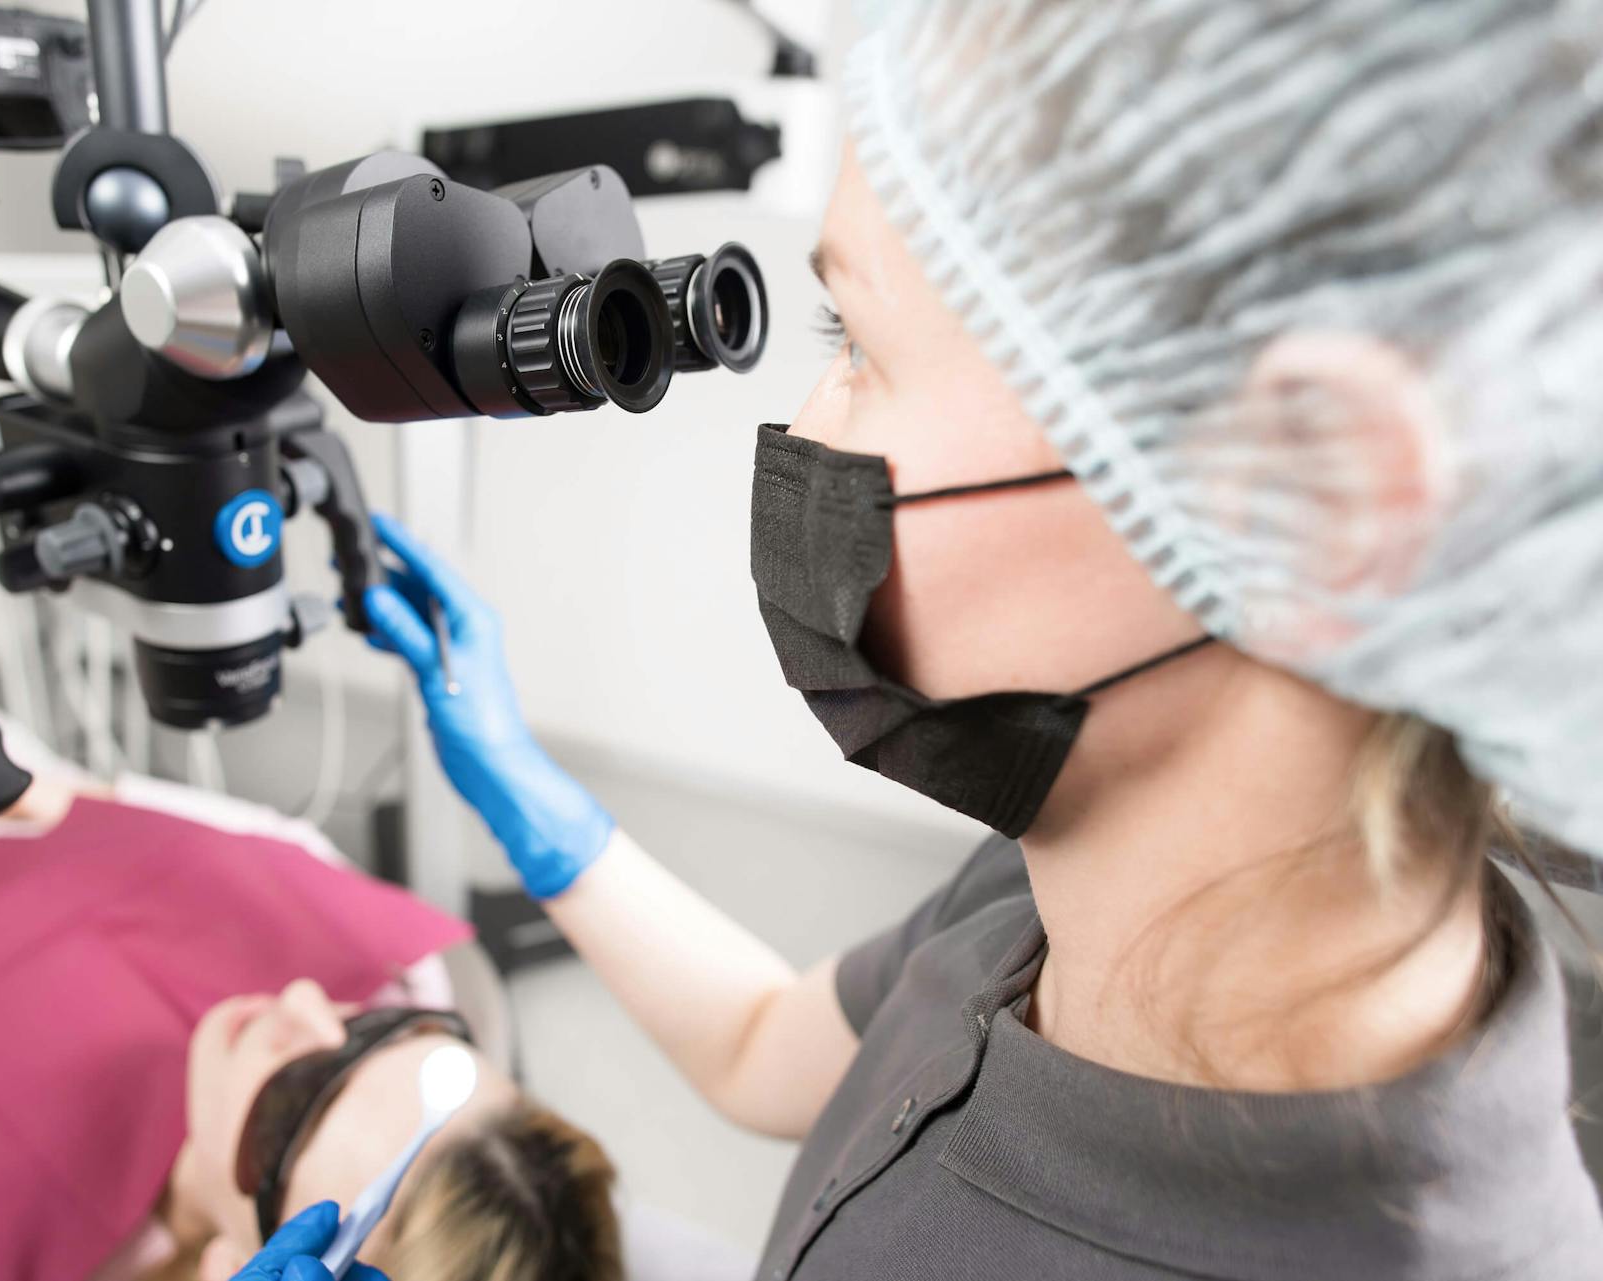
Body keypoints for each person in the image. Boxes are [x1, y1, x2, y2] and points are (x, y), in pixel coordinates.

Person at [326, 2, 1603, 1277]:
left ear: (1327, 497)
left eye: (859, 343)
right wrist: (538, 805)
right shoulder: (1079, 867)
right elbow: (768, 1043)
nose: (808, 424)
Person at [0, 608, 624, 1281]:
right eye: (379, 1029)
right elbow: (251, 840)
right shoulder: (386, 962)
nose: (301, 1000)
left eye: (292, 1098)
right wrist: (26, 797)